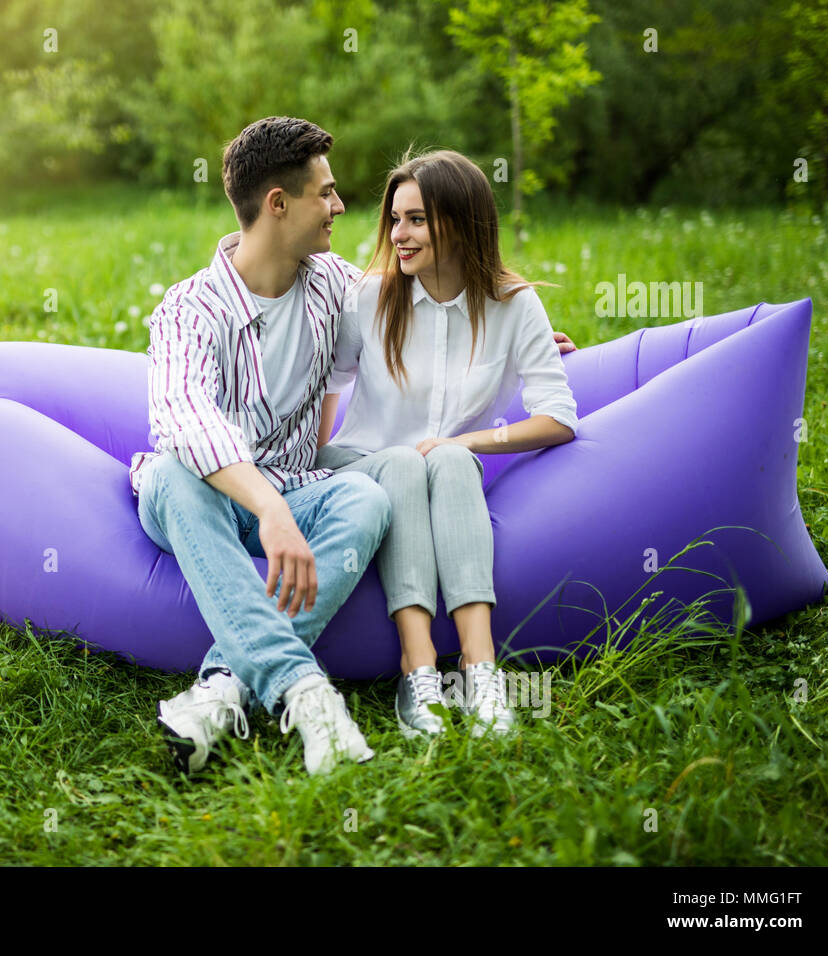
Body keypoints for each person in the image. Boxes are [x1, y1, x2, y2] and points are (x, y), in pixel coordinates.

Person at [131, 116, 395, 777]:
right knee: (171, 474)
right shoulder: (189, 309)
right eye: (325, 194)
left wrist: (516, 328)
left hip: (297, 490)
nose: (338, 207)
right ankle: (312, 705)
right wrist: (268, 510)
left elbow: (421, 305)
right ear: (278, 204)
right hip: (207, 503)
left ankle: (220, 691)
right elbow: (185, 419)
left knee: (364, 498)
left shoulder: (332, 285)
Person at [314, 147, 580, 740]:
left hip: (446, 471)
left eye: (416, 220)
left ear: (461, 221)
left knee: (451, 459)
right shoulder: (369, 298)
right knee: (411, 465)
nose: (397, 235)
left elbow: (559, 417)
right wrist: (307, 459)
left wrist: (463, 440)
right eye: (394, 219)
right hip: (360, 465)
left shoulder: (513, 306)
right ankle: (419, 669)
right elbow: (327, 386)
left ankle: (480, 672)